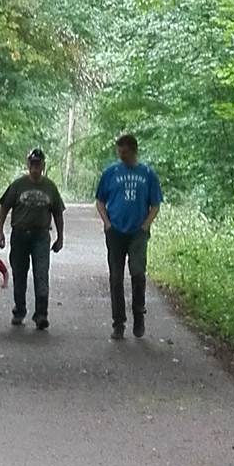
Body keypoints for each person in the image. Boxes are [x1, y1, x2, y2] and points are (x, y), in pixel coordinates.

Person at [94, 133, 161, 339]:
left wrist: (145, 225)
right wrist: (107, 223)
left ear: (133, 150)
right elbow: (100, 201)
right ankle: (118, 323)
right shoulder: (111, 173)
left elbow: (156, 204)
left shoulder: (147, 174)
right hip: (115, 231)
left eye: (124, 152)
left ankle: (139, 316)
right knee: (116, 277)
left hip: (137, 233)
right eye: (119, 151)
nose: (121, 155)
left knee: (138, 274)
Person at [0, 147, 64, 330]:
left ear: (43, 165)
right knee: (19, 274)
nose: (35, 168)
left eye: (38, 164)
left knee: (41, 274)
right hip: (20, 235)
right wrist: (0, 232)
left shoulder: (50, 187)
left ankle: (41, 314)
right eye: (32, 164)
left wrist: (60, 237)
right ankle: (20, 310)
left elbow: (58, 213)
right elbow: (4, 208)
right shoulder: (18, 185)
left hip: (41, 236)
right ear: (28, 165)